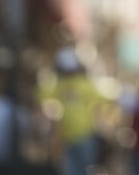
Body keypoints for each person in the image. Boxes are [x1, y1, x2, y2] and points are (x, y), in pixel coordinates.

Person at [37, 46, 108, 175]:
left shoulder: (82, 84)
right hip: (71, 137)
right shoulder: (62, 85)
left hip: (84, 136)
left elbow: (42, 93)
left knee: (79, 170)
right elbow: (42, 94)